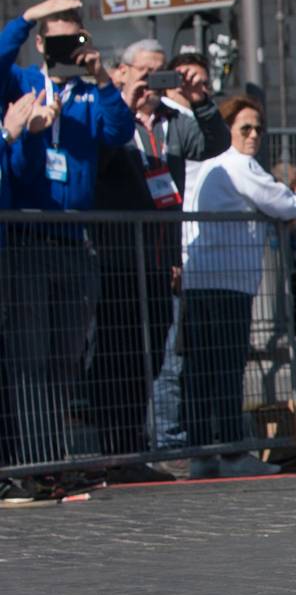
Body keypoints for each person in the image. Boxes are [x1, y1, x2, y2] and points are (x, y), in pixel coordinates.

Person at [1, 0, 134, 482]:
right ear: (40, 43)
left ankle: (54, 454)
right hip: (27, 238)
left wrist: (101, 77)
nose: (64, 48)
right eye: (54, 40)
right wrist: (28, 15)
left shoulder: (87, 94)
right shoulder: (22, 84)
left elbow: (119, 132)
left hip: (74, 242)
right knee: (29, 357)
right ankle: (33, 460)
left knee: (65, 355)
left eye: (73, 40)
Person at [90, 41, 230, 480]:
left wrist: (200, 100)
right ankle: (113, 451)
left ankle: (132, 452)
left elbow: (214, 144)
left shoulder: (172, 123)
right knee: (117, 357)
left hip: (158, 258)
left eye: (158, 73)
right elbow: (100, 158)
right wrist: (122, 107)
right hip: (115, 257)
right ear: (123, 72)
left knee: (148, 359)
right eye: (144, 72)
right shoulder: (109, 116)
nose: (150, 82)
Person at [180, 96, 296, 479]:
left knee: (203, 368)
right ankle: (232, 453)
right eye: (245, 129)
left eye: (258, 129)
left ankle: (203, 453)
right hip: (227, 279)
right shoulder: (237, 164)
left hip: (202, 278)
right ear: (229, 130)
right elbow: (278, 199)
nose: (253, 136)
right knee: (225, 368)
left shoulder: (206, 166)